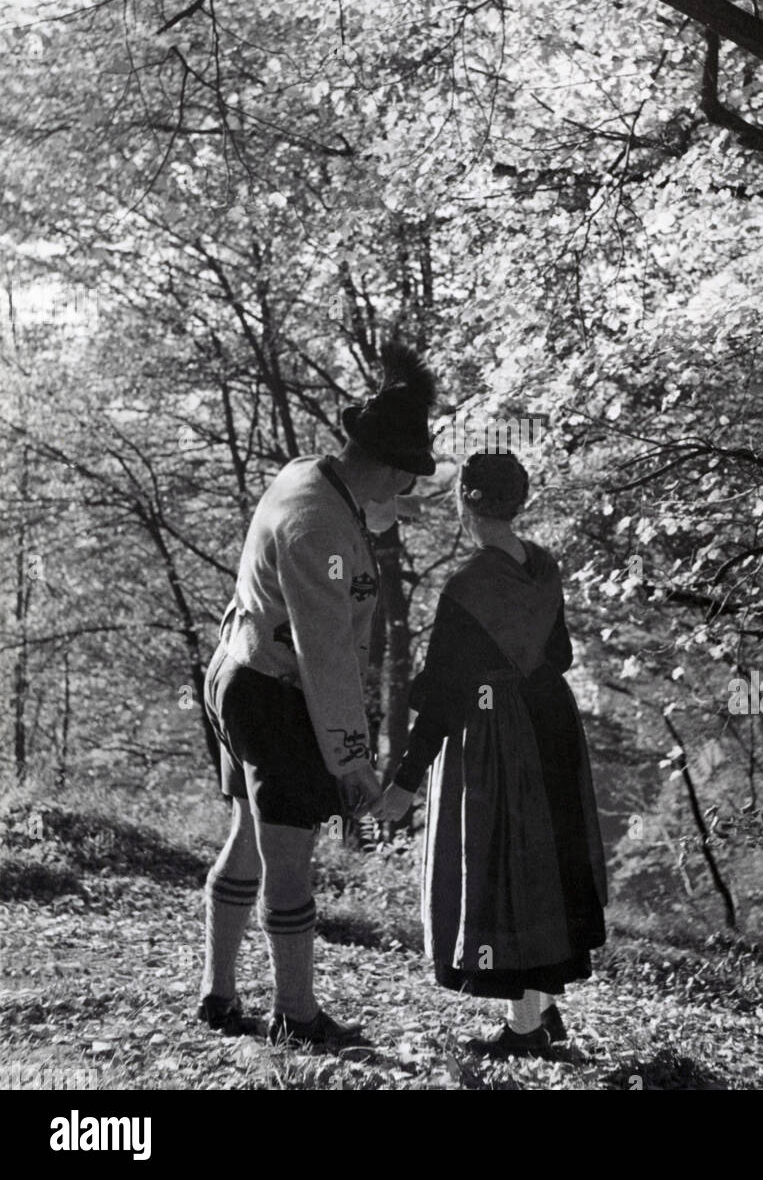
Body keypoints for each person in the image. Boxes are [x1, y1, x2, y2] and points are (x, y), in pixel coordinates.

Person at [197, 341, 436, 1046]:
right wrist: (352, 761)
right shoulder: (321, 527)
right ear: (388, 467)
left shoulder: (311, 476)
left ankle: (218, 995)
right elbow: (325, 655)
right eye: (407, 479)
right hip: (273, 695)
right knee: (289, 857)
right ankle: (297, 1017)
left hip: (239, 674)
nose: (407, 493)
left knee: (247, 836)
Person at [379, 451, 607, 1056]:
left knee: (504, 869)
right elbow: (560, 654)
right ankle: (544, 1008)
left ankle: (524, 1028)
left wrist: (404, 779)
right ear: (520, 502)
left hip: (497, 739)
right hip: (552, 722)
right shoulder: (545, 565)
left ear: (468, 502)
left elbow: (444, 697)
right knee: (546, 868)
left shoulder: (465, 588)